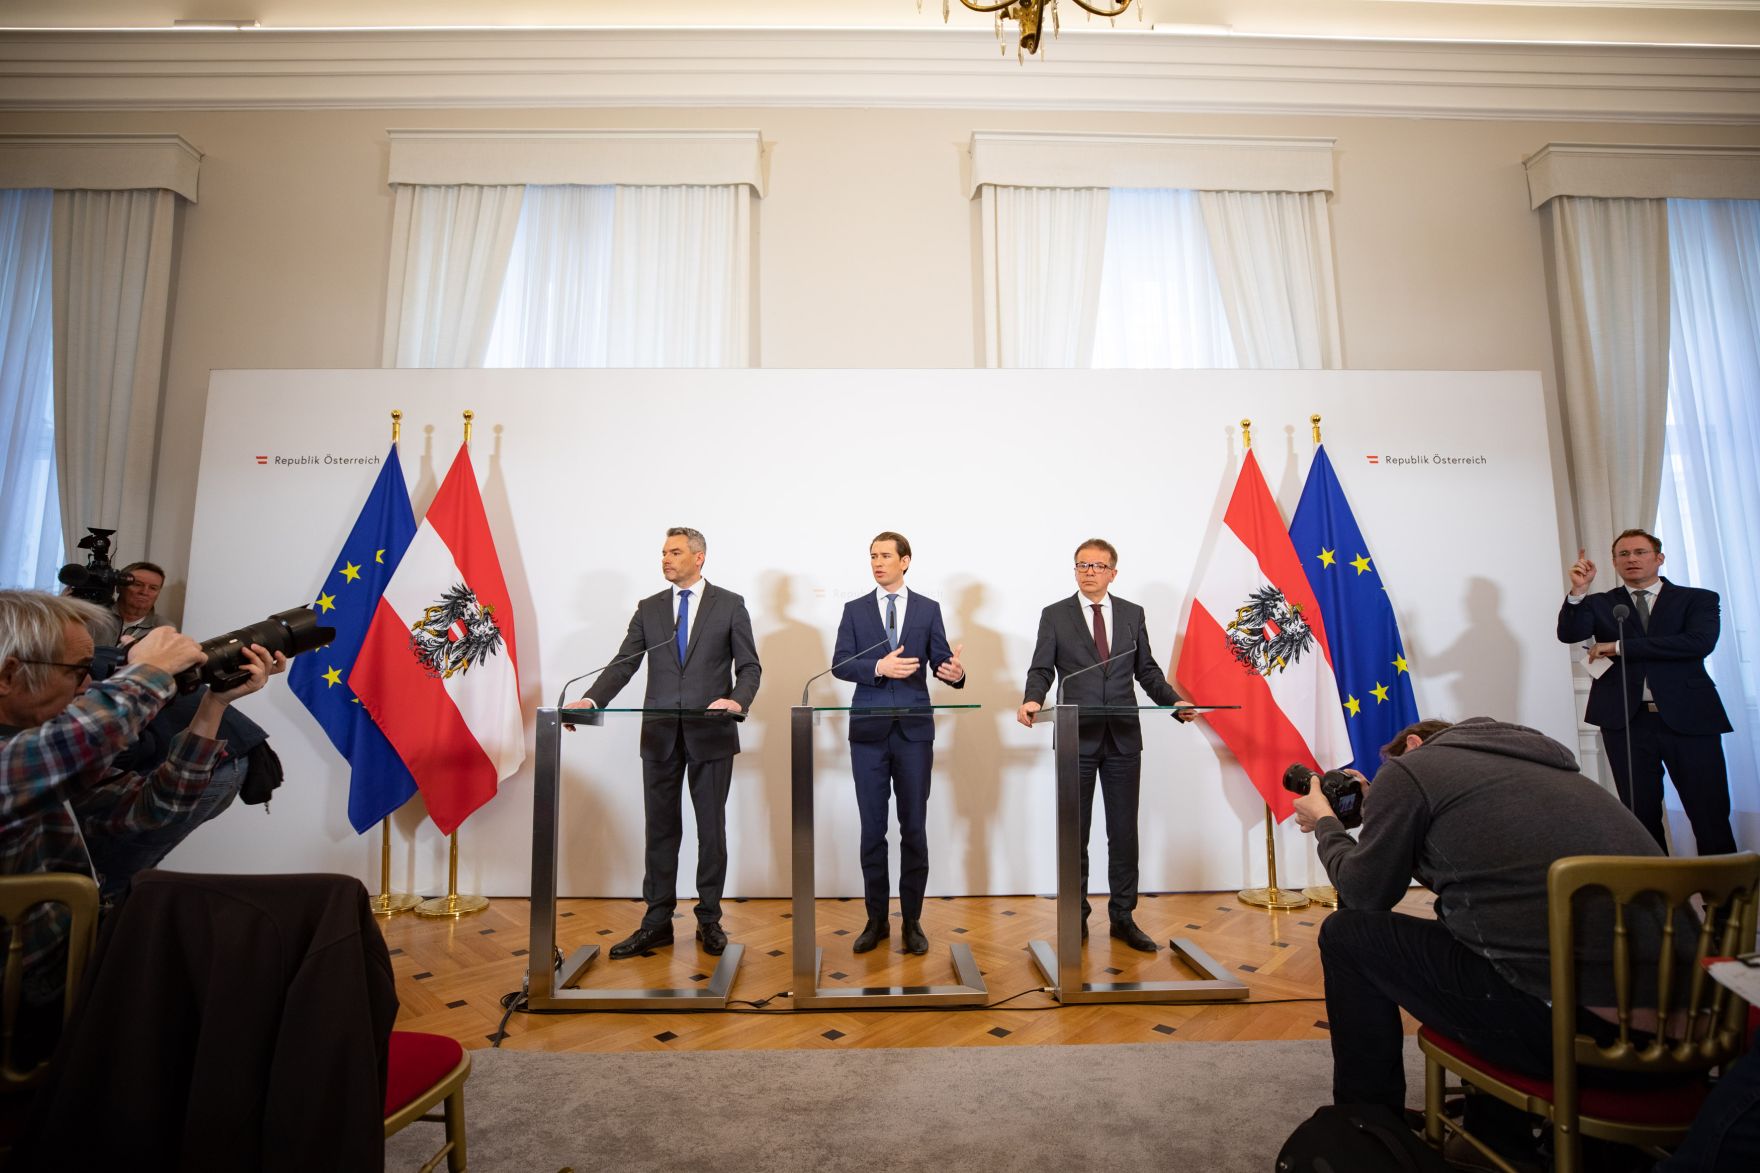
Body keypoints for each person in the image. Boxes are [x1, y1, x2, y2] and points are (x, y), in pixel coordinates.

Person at [1293, 716, 1672, 1127]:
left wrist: (1327, 823)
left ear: (1414, 745)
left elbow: (1364, 893)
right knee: (1475, 935)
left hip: (1581, 1041)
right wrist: (1377, 807)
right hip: (1682, 1041)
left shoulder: (1411, 769)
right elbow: (1469, 880)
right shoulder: (1543, 768)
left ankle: (1367, 1126)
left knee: (1346, 935)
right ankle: (1495, 1125)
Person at [0, 590, 277, 1016]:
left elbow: (157, 805)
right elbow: (75, 743)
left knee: (301, 915)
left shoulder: (36, 755)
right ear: (8, 675)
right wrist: (151, 670)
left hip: (82, 954)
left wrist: (214, 703)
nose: (88, 684)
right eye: (78, 671)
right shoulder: (28, 759)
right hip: (38, 989)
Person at [578, 528, 761, 960]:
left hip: (711, 734)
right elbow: (624, 663)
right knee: (660, 831)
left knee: (711, 831)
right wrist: (591, 700)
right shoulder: (650, 609)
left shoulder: (730, 604)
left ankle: (709, 919)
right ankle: (656, 922)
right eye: (663, 552)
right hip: (660, 735)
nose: (665, 559)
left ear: (699, 557)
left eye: (675, 552)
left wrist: (736, 700)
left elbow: (750, 667)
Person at [1016, 539, 1195, 952]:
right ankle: (1074, 918)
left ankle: (1123, 918)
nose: (1089, 572)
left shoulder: (1132, 614)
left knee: (1123, 832)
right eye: (1082, 565)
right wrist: (1032, 699)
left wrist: (1173, 702)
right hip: (1076, 737)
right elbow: (1041, 669)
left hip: (1123, 738)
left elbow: (1146, 671)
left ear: (1113, 573)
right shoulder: (1055, 615)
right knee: (1074, 833)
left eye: (1097, 566)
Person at [1556, 529, 1736, 856]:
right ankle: (1654, 887)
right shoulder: (1601, 603)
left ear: (1659, 558)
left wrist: (1619, 646)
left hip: (1690, 719)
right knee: (1640, 816)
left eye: (1640, 552)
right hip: (1627, 722)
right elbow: (1569, 633)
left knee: (1709, 813)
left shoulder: (1697, 599)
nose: (1632, 559)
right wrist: (1579, 591)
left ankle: (1724, 889)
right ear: (1614, 562)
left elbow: (1698, 643)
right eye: (1623, 554)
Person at [832, 531, 965, 955]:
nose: (877, 562)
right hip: (868, 735)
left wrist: (956, 674)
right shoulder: (855, 609)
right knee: (872, 830)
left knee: (914, 828)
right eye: (873, 556)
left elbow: (943, 661)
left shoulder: (928, 608)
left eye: (886, 555)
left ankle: (911, 921)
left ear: (905, 561)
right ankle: (876, 921)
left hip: (913, 734)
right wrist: (878, 667)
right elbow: (840, 664)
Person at [112, 561, 167, 643]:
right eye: (137, 584)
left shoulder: (164, 629)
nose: (144, 592)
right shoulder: (96, 618)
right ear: (119, 587)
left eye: (153, 588)